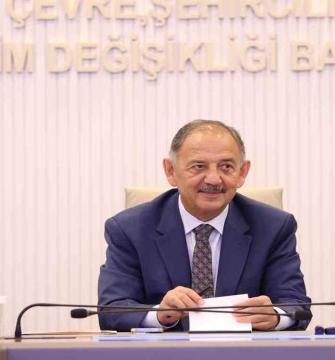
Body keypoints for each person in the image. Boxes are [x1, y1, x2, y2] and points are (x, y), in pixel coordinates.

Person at [98, 120, 311, 331]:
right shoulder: (129, 229)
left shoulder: (273, 227)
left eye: (226, 167)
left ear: (242, 172)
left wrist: (275, 316)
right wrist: (159, 314)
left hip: (243, 349)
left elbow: (296, 305)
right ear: (171, 171)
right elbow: (111, 310)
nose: (214, 179)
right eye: (199, 166)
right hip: (164, 350)